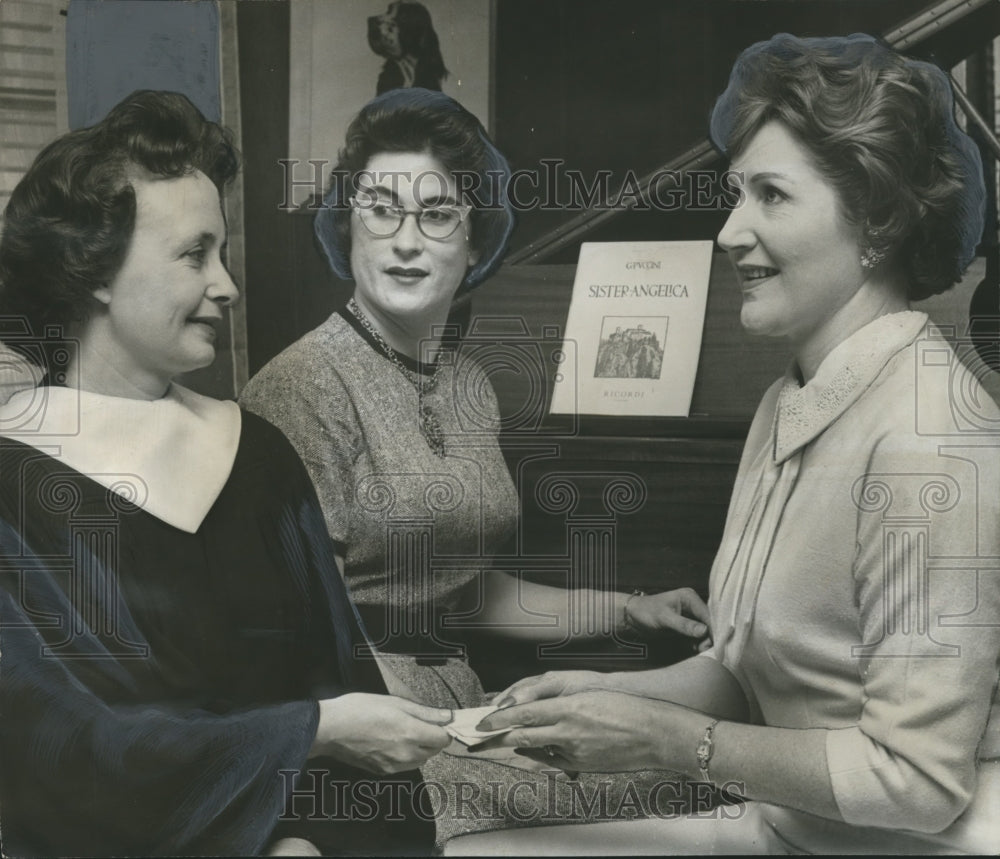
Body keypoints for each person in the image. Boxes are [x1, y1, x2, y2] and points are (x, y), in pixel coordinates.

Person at [462, 34, 1000, 855]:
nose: (728, 230)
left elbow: (916, 783)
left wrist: (667, 740)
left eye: (771, 197)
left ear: (881, 221)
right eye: (734, 193)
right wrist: (606, 694)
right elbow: (756, 677)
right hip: (794, 826)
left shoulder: (932, 442)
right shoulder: (790, 399)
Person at [238, 86, 712, 843]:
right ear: (346, 225)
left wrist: (628, 607)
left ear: (474, 238)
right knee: (677, 781)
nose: (404, 241)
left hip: (459, 707)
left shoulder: (467, 383)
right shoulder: (300, 386)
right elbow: (292, 637)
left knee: (679, 754)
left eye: (436, 214)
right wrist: (445, 729)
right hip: (366, 738)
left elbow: (464, 592)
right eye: (381, 208)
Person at [0, 90, 454, 857]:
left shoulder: (262, 454)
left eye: (225, 254)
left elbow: (354, 707)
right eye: (193, 254)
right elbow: (59, 759)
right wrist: (312, 735)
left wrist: (305, 842)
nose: (228, 286)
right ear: (95, 270)